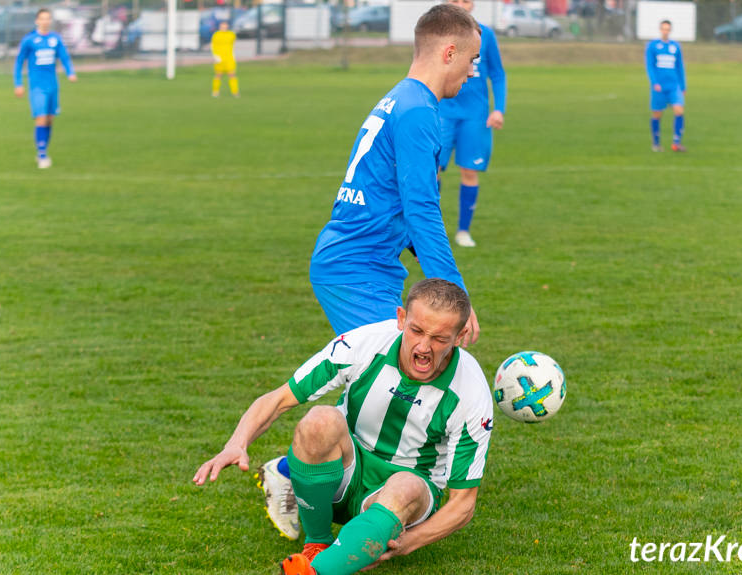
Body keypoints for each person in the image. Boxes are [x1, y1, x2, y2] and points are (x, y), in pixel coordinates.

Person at [193, 279, 493, 575]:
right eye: (416, 331)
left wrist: (409, 542)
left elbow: (463, 503)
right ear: (401, 319)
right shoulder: (364, 343)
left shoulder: (470, 392)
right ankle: (317, 543)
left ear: (460, 335)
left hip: (410, 489)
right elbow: (280, 398)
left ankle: (314, 571)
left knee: (404, 486)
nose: (424, 347)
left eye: (440, 338)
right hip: (346, 468)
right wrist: (237, 442)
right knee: (319, 420)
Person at [308, 4, 481, 345]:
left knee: (395, 381)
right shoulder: (418, 111)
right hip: (356, 269)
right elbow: (421, 209)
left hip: (362, 264)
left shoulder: (403, 98)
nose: (473, 72)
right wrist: (453, 293)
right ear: (450, 53)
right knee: (405, 376)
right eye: (472, 59)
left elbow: (400, 204)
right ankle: (279, 401)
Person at [438, 0, 507, 248]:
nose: (459, 5)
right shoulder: (437, 32)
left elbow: (498, 74)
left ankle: (463, 231)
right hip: (442, 113)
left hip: (475, 116)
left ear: (472, 5)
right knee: (430, 171)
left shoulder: (485, 35)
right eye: (454, 0)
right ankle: (428, 231)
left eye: (465, 0)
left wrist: (499, 109)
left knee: (469, 171)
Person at [13, 8, 77, 169]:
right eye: (42, 18)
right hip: (36, 87)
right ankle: (42, 155)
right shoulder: (29, 40)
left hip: (53, 85)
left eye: (48, 18)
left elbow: (64, 57)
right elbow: (19, 62)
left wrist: (71, 72)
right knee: (41, 118)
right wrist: (18, 83)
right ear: (37, 21)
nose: (45, 21)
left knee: (50, 119)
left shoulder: (55, 39)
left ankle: (43, 150)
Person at [645, 20, 686, 152]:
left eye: (668, 29)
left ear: (670, 31)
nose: (665, 31)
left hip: (674, 86)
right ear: (660, 30)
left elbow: (680, 66)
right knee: (657, 115)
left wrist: (683, 85)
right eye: (663, 29)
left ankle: (676, 143)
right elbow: (650, 66)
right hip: (659, 87)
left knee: (679, 111)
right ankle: (656, 144)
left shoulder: (675, 46)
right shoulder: (653, 46)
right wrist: (654, 82)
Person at [211, 21, 239, 98]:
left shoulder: (231, 34)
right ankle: (215, 91)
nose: (224, 28)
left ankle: (235, 92)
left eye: (225, 26)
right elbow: (213, 45)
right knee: (218, 75)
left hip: (229, 58)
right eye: (222, 26)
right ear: (219, 27)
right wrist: (215, 56)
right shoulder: (216, 35)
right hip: (219, 58)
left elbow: (234, 43)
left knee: (232, 74)